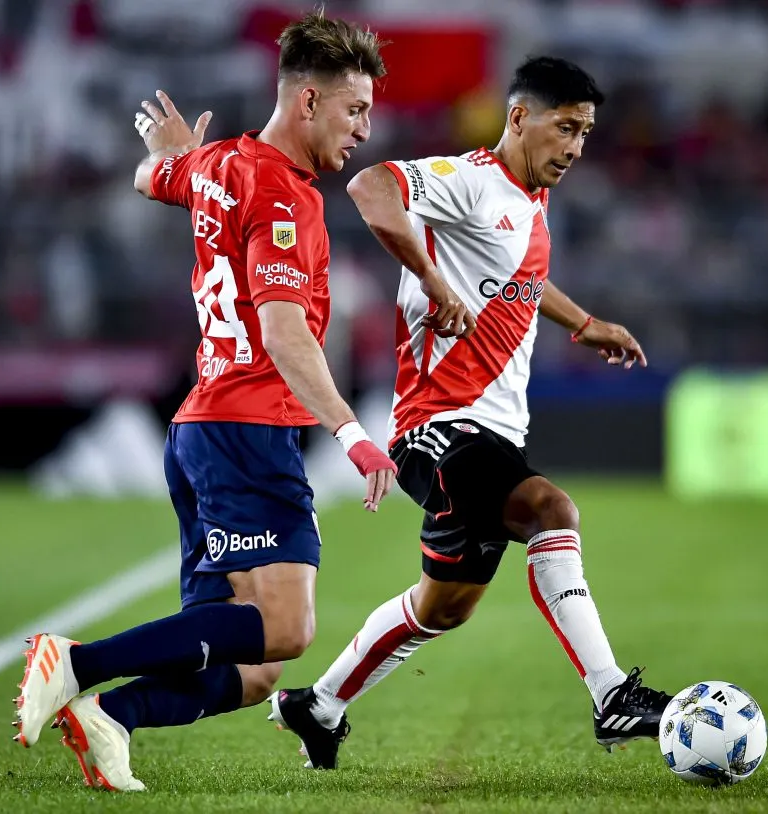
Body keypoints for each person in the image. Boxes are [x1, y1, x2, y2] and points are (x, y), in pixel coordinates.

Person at [12, 11, 408, 792]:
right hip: (247, 432)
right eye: (354, 109)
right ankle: (73, 663)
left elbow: (149, 176)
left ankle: (112, 718)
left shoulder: (219, 164)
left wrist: (173, 158)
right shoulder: (288, 199)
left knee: (252, 667)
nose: (365, 127)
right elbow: (287, 333)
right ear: (306, 103)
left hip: (200, 432)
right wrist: (354, 433)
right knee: (288, 630)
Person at [268, 56, 671, 769]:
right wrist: (427, 274)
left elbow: (519, 277)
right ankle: (612, 696)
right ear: (519, 118)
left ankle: (318, 705)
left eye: (586, 133)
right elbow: (369, 186)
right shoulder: (472, 180)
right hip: (442, 427)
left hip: (489, 432)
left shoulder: (530, 199)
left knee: (444, 606)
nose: (577, 147)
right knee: (551, 510)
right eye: (567, 128)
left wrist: (583, 323)